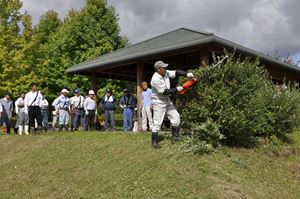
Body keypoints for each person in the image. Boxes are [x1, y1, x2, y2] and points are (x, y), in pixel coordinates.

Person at [150, 60, 194, 148]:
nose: (166, 68)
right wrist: (177, 89)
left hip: (166, 100)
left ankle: (175, 137)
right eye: (164, 67)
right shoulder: (155, 79)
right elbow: (164, 92)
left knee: (176, 117)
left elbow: (176, 72)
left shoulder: (165, 73)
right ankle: (154, 142)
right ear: (158, 69)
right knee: (157, 123)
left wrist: (187, 74)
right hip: (159, 101)